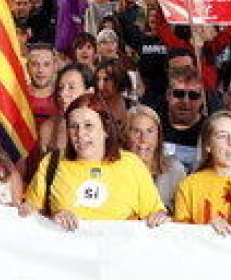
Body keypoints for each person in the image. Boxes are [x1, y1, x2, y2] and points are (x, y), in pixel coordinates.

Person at [23, 94, 169, 231]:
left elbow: (156, 213)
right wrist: (53, 218)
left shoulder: (131, 165)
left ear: (105, 130)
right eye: (74, 126)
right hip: (66, 253)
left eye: (88, 125)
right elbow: (31, 215)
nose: (80, 134)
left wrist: (159, 217)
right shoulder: (52, 162)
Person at [123, 106, 186, 209]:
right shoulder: (115, 168)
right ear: (126, 135)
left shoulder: (174, 169)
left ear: (158, 136)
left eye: (150, 131)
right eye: (136, 131)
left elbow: (183, 215)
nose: (143, 139)